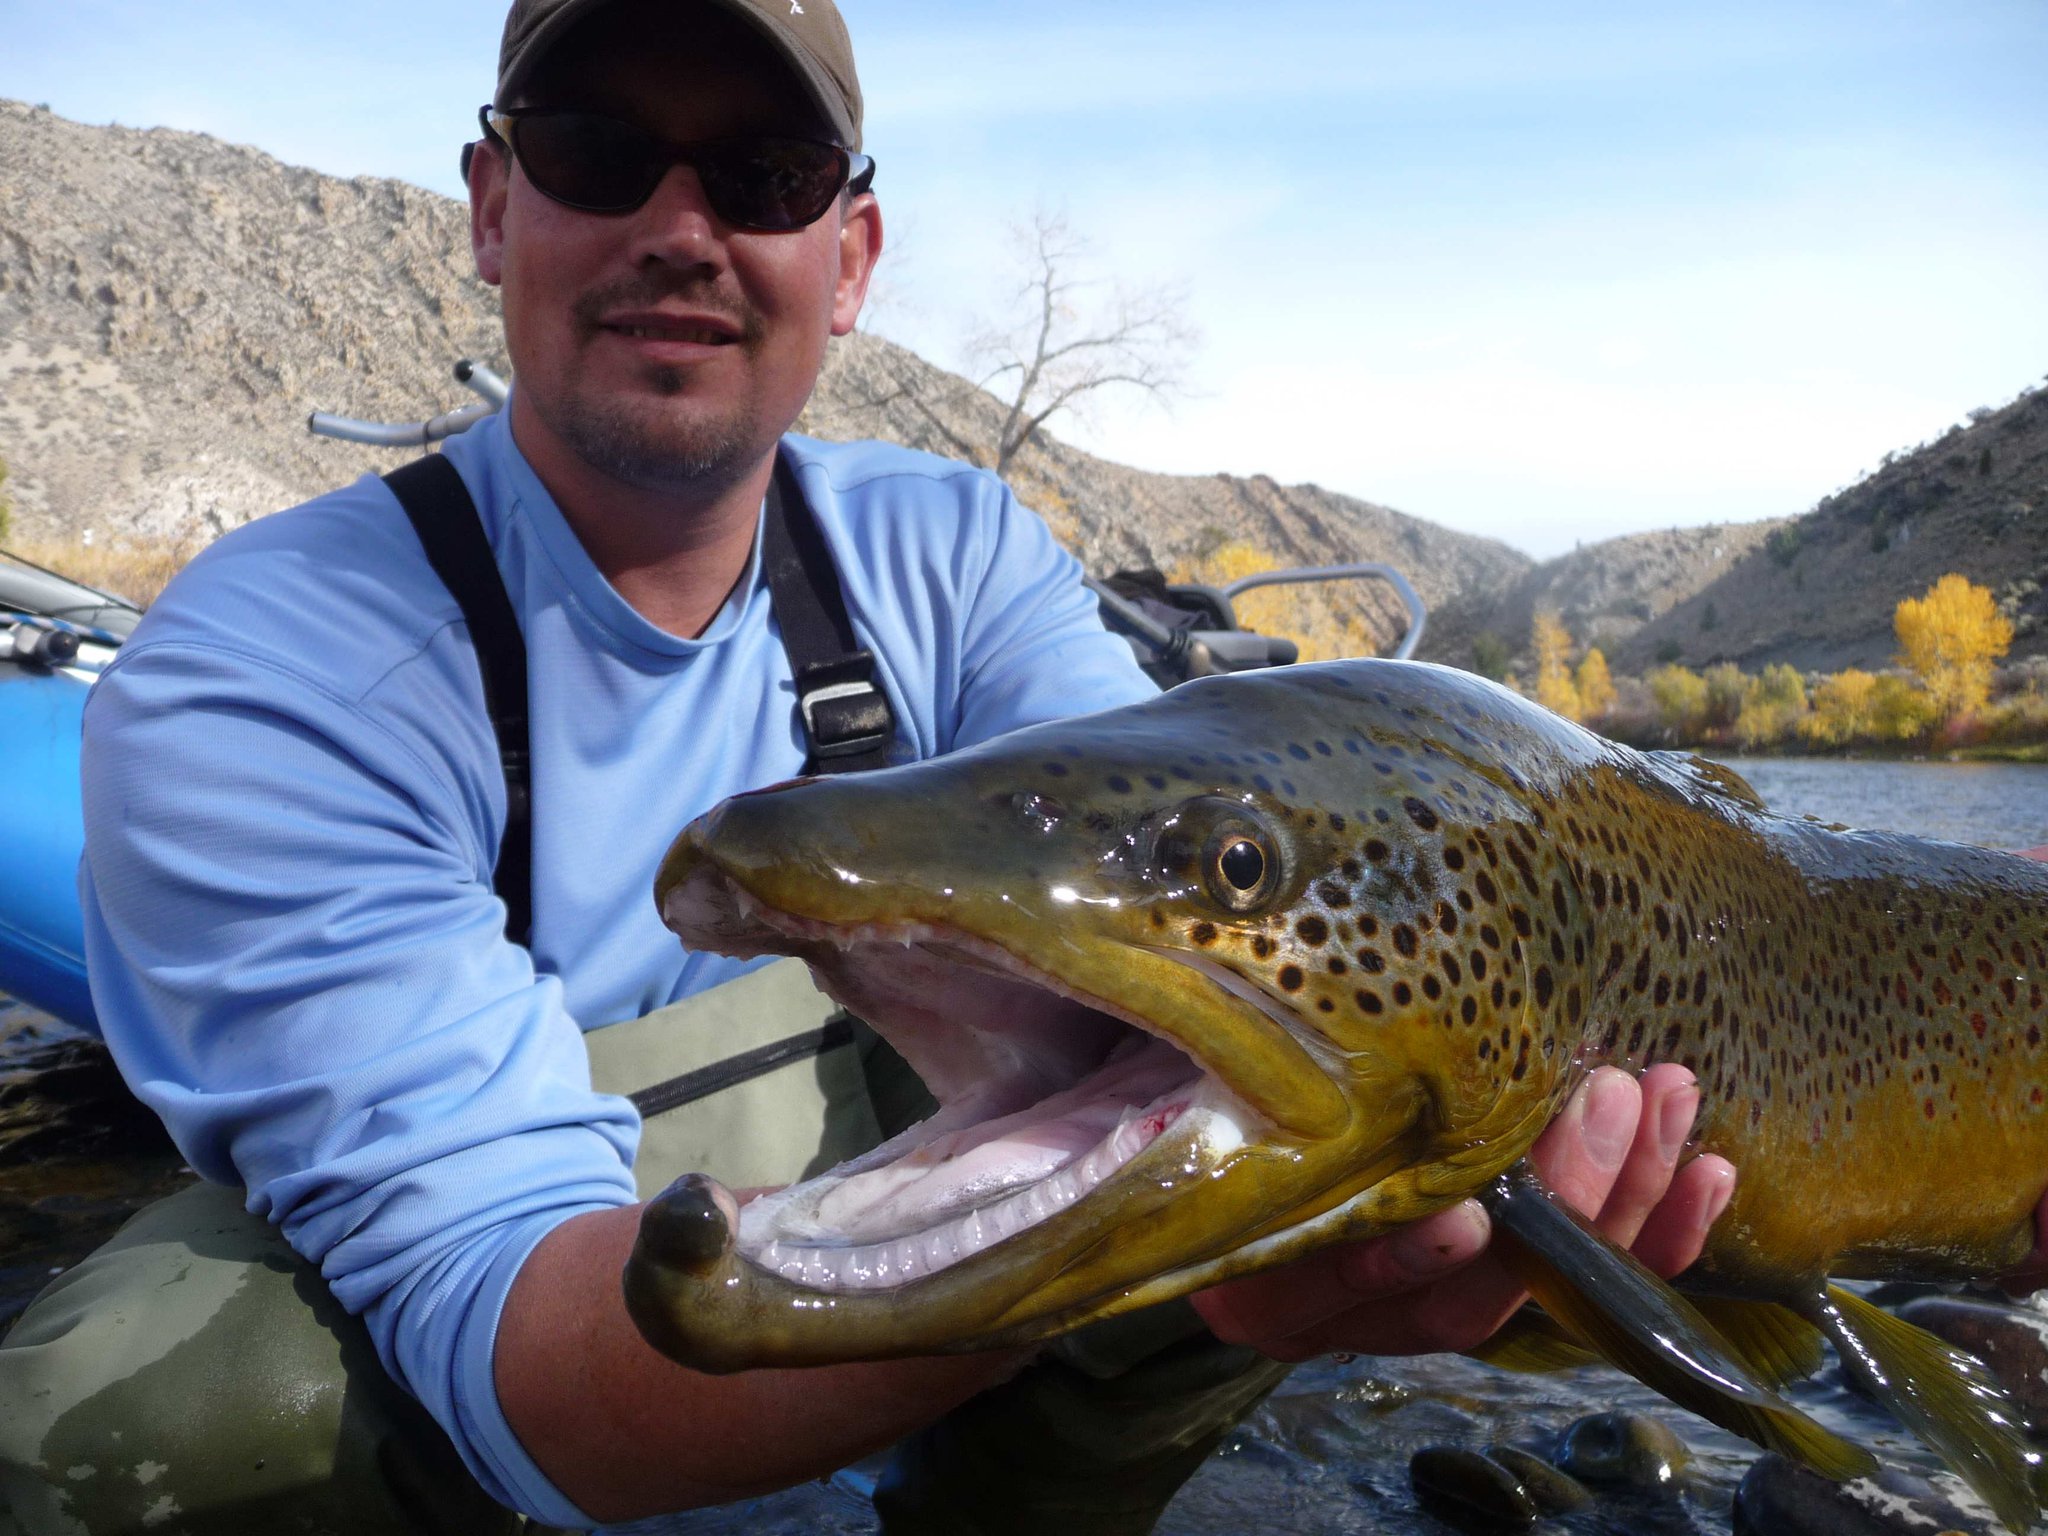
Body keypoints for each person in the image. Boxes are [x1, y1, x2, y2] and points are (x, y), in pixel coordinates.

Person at [0, 2, 2036, 1532]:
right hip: (552, 1317)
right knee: (141, 1422)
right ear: (491, 205)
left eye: (766, 178)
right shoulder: (276, 663)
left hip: (920, 1207)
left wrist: (1302, 1258)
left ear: (852, 257)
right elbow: (518, 1352)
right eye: (604, 144)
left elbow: (1189, 883)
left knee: (1280, 1123)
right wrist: (1229, 1267)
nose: (685, 226)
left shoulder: (949, 554)